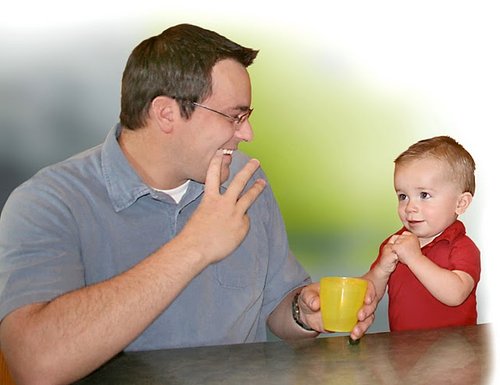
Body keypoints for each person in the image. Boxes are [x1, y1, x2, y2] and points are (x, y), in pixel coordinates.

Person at [0, 24, 377, 384]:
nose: (247, 133)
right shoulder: (49, 203)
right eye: (234, 116)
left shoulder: (244, 181)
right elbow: (36, 365)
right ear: (166, 114)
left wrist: (303, 311)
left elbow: (277, 306)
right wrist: (194, 247)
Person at [363, 135, 480, 332]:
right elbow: (368, 296)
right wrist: (381, 269)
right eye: (403, 196)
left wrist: (414, 258)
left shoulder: (462, 247)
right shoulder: (395, 243)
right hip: (404, 352)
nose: (409, 207)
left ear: (460, 203)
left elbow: (456, 294)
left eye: (424, 195)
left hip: (456, 353)